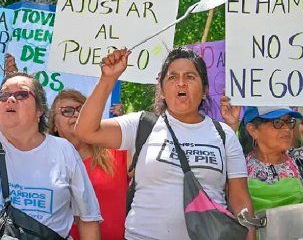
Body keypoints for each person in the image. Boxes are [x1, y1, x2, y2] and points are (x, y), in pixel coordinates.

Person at [75, 47, 255, 240]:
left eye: (190, 77)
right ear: (161, 91)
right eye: (172, 77)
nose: (181, 83)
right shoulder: (141, 125)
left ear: (205, 91)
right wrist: (108, 78)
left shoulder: (225, 135)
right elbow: (85, 131)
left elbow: (239, 198)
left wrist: (249, 233)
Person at [0, 72, 102, 239]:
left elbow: (88, 219)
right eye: (3, 94)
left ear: (39, 110)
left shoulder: (64, 151)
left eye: (21, 94)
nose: (10, 99)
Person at [48, 89, 129, 240]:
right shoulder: (45, 166)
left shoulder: (117, 154)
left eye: (82, 110)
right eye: (67, 111)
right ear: (54, 125)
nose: (76, 114)